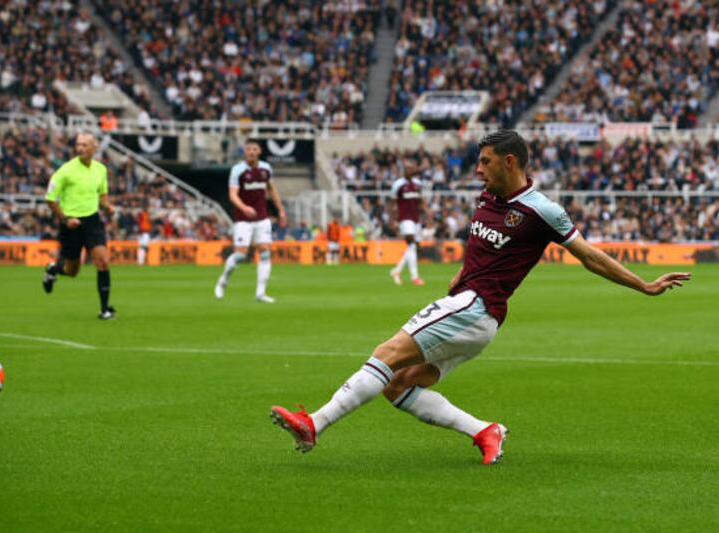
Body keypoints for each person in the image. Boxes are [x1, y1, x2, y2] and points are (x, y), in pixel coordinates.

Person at [270, 130, 691, 465]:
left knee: (387, 352)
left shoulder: (542, 210)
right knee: (398, 385)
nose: (477, 170)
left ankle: (314, 424)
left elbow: (590, 257)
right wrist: (457, 281)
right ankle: (483, 431)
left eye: (485, 162)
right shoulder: (487, 196)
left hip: (476, 308)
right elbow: (481, 250)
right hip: (471, 310)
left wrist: (644, 285)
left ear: (510, 162)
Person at [42, 132, 116, 319]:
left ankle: (105, 309)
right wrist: (65, 219)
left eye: (85, 144)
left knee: (103, 261)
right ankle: (53, 269)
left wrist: (108, 208)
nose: (80, 148)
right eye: (78, 144)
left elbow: (103, 194)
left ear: (94, 148)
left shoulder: (101, 169)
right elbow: (50, 199)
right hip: (71, 223)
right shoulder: (65, 170)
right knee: (72, 271)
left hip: (92, 221)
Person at [214, 140, 286, 303]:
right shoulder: (237, 170)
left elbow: (272, 190)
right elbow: (232, 194)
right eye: (248, 149)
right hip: (243, 219)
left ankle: (260, 293)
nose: (251, 152)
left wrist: (280, 209)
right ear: (244, 152)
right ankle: (223, 281)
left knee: (265, 252)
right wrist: (244, 207)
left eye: (254, 149)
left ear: (259, 151)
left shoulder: (266, 169)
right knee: (241, 255)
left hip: (262, 217)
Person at [389, 159, 425, 286]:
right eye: (406, 169)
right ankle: (415, 277)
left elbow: (420, 200)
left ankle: (397, 270)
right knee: (411, 244)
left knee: (413, 247)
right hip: (404, 218)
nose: (409, 171)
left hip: (416, 219)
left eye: (411, 169)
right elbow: (392, 202)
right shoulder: (398, 184)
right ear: (404, 171)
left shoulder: (418, 184)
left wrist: (425, 211)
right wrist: (392, 220)